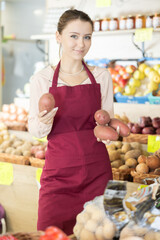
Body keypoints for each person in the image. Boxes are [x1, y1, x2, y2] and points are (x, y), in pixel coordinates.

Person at [28, 9, 114, 235]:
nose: (81, 44)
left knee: (101, 234)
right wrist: (44, 120)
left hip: (98, 174)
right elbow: (35, 131)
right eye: (73, 36)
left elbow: (105, 122)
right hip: (59, 177)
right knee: (51, 234)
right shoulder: (42, 79)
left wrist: (110, 130)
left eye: (87, 37)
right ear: (58, 36)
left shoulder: (102, 77)